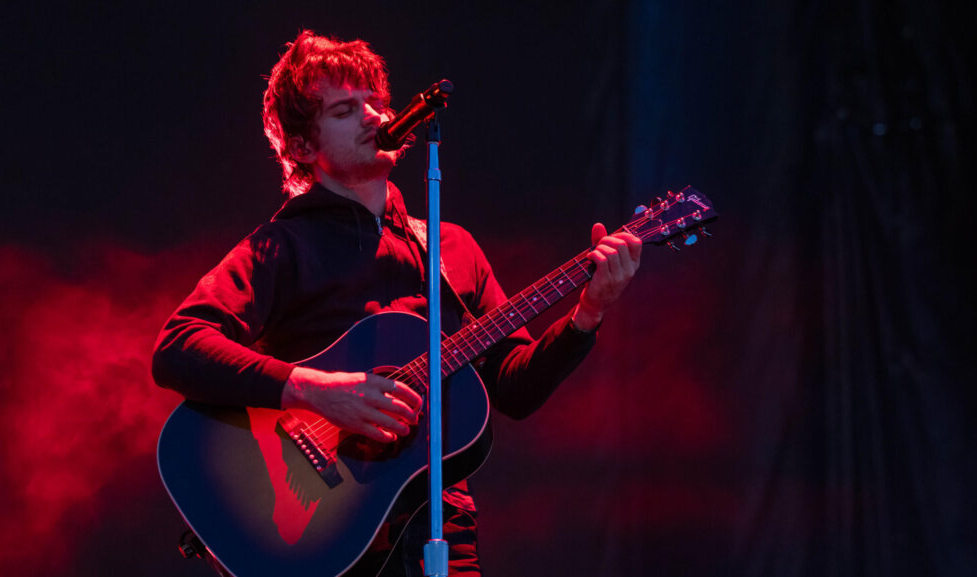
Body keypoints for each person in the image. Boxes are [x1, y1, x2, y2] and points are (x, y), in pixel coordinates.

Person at [151, 30, 641, 576]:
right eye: (344, 110)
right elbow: (179, 346)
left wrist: (588, 313)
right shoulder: (281, 248)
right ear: (302, 148)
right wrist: (317, 391)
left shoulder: (450, 246)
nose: (373, 117)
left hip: (441, 526)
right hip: (320, 534)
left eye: (376, 102)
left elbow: (515, 388)